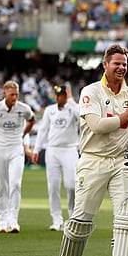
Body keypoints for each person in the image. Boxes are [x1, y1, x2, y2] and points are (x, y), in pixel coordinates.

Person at [57, 44, 128, 256]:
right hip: (92, 159)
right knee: (82, 218)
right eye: (116, 63)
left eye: (124, 64)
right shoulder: (91, 91)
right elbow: (96, 126)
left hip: (123, 161)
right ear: (105, 65)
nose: (121, 67)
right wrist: (127, 115)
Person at [0, 80, 36, 233]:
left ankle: (13, 220)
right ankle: (2, 221)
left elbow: (32, 120)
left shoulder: (23, 108)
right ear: (4, 93)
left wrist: (24, 134)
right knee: (1, 186)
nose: (14, 97)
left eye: (16, 94)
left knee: (15, 184)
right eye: (12, 94)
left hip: (16, 149)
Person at [31, 84, 80, 231]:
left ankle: (72, 216)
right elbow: (43, 130)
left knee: (71, 185)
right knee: (53, 187)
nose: (60, 98)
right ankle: (57, 219)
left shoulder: (72, 108)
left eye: (63, 95)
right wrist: (37, 149)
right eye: (58, 95)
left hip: (70, 149)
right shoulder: (49, 110)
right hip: (52, 150)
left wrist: (71, 100)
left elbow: (81, 116)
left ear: (66, 96)